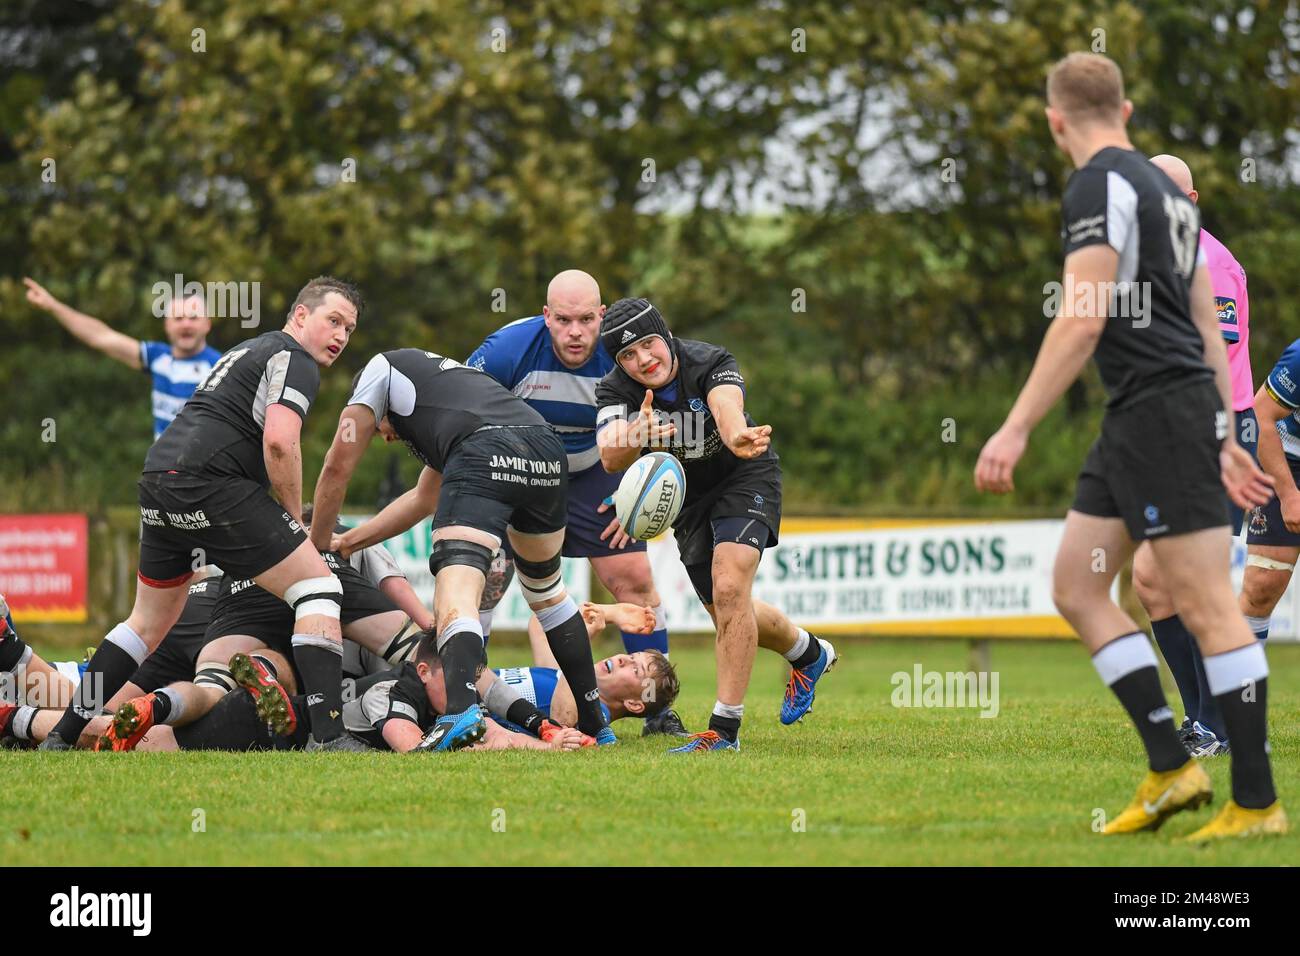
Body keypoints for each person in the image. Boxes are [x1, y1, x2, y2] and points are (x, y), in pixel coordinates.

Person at [974, 52, 1285, 840]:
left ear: (1053, 121)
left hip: (1163, 416)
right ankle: (1171, 766)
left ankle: (1257, 804)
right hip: (1150, 416)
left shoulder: (1100, 184)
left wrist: (1015, 426)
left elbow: (1080, 315)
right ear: (1128, 108)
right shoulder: (1170, 201)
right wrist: (1232, 427)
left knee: (1208, 606)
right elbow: (1211, 333)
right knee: (1079, 585)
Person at [38, 276, 365, 752]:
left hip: (158, 478)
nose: (340, 335)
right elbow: (279, 440)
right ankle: (331, 739)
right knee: (318, 587)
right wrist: (294, 518)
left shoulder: (246, 350)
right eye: (333, 320)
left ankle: (62, 736)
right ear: (300, 316)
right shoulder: (296, 359)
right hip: (211, 484)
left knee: (146, 624)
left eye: (350, 329)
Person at [309, 347, 615, 750]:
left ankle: (460, 711)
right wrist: (348, 542)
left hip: (485, 451)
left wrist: (315, 547)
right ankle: (597, 722)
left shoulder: (377, 370)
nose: (385, 437)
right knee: (547, 592)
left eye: (381, 427)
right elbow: (422, 498)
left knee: (455, 591)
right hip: (545, 452)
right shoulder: (456, 399)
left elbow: (336, 466)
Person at [594, 298, 836, 753]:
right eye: (628, 355)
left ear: (665, 335)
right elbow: (609, 452)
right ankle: (808, 653)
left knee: (729, 589)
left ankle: (723, 731)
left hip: (743, 475)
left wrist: (735, 435)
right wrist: (635, 435)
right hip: (684, 500)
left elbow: (726, 407)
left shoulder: (709, 360)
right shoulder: (614, 390)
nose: (643, 360)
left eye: (649, 344)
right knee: (725, 609)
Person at [467, 270, 687, 736]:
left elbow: (661, 419)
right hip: (517, 468)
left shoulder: (624, 354)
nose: (576, 332)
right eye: (563, 320)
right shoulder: (509, 349)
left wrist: (634, 494)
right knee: (485, 576)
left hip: (594, 473)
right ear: (545, 316)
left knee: (634, 576)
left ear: (601, 315)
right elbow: (459, 404)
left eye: (587, 319)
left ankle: (659, 711)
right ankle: (464, 693)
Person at [1130, 154, 1255, 757]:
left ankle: (1222, 725)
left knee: (1191, 579)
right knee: (1154, 581)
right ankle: (1205, 719)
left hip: (1216, 435)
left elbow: (1211, 358)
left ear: (1193, 199)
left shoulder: (1209, 260)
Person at [24, 278, 220, 439]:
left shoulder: (220, 367)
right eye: (178, 318)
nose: (186, 324)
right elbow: (100, 337)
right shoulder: (157, 357)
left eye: (193, 318)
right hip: (161, 474)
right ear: (167, 325)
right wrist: (53, 306)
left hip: (202, 477)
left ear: (207, 324)